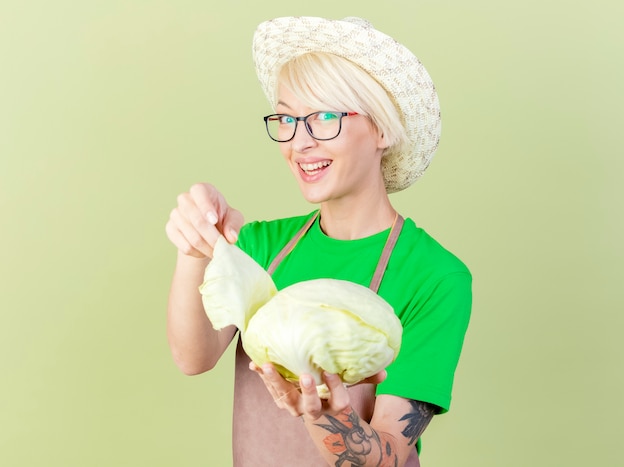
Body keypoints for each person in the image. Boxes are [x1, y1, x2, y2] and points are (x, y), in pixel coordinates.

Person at [166, 16, 472, 467]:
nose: (300, 142)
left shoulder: (434, 275)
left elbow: (387, 457)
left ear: (382, 130)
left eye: (325, 116)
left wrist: (328, 415)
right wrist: (196, 249)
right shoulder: (261, 245)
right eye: (287, 118)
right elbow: (193, 358)